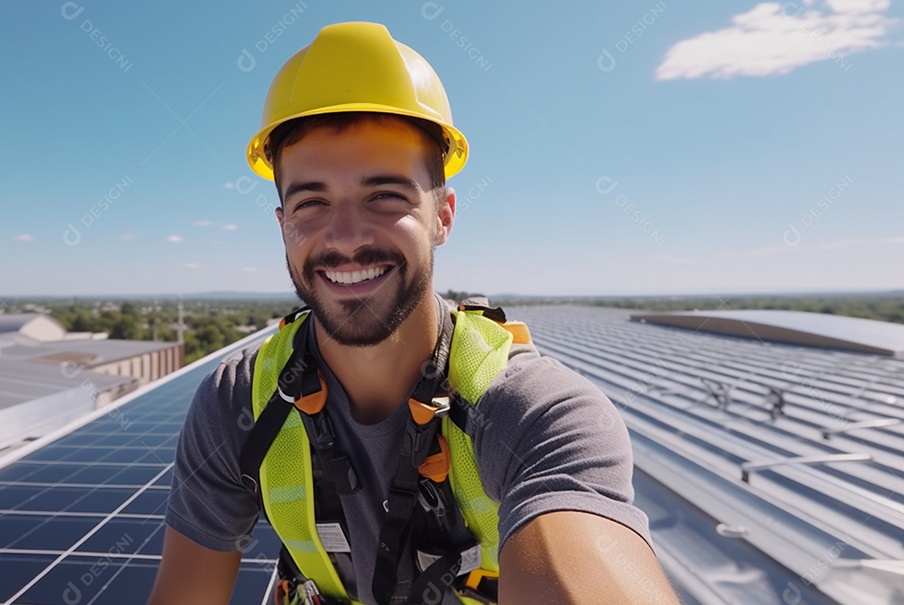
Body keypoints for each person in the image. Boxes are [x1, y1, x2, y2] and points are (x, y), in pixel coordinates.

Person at [148, 21, 679, 605]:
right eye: (312, 202)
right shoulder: (237, 406)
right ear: (283, 226)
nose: (346, 237)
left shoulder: (539, 415)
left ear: (443, 216)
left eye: (385, 196)